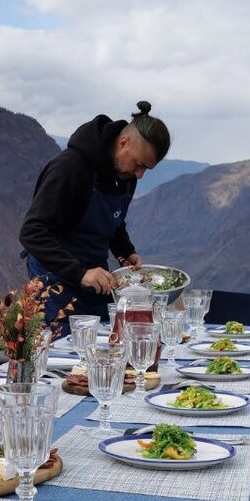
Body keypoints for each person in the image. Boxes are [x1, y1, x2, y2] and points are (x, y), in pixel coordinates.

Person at [19, 100, 171, 333]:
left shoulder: (125, 174)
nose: (140, 175)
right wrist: (80, 273)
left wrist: (125, 252)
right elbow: (32, 232)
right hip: (54, 284)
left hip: (95, 280)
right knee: (65, 362)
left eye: (146, 169)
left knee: (103, 352)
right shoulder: (70, 169)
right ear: (123, 142)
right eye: (139, 165)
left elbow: (114, 222)